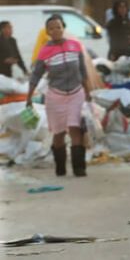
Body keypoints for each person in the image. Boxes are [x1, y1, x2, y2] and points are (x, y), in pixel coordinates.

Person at [26, 15, 92, 177]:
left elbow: (83, 71)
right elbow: (36, 76)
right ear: (47, 32)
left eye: (58, 27)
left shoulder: (75, 46)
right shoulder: (45, 52)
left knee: (76, 129)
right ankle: (60, 167)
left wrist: (89, 92)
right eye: (51, 28)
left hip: (76, 93)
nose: (55, 30)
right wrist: (29, 97)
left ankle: (79, 168)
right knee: (59, 132)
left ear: (64, 28)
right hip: (56, 97)